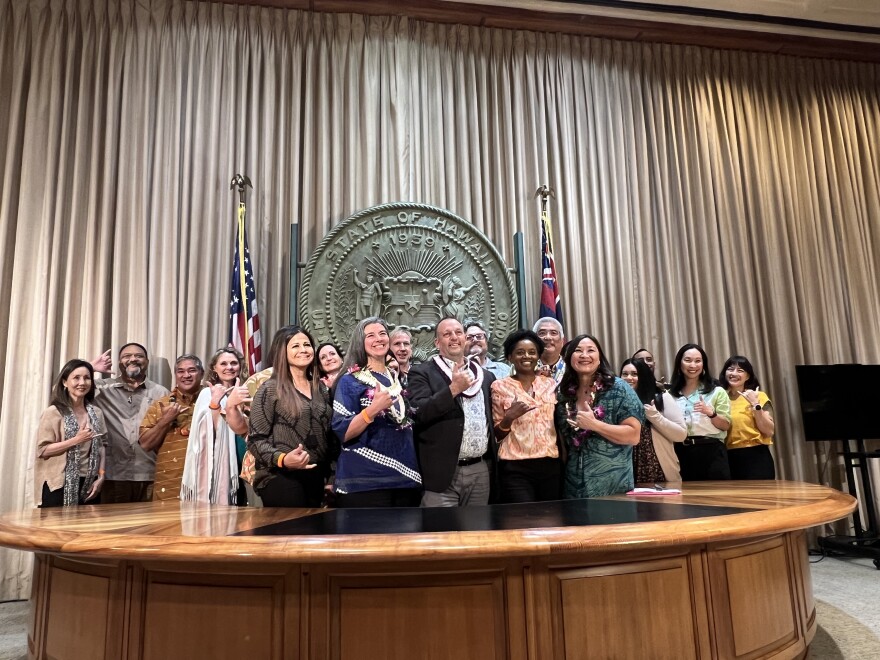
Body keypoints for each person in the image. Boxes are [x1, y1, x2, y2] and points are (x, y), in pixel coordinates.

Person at [331, 317, 421, 507]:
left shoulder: (397, 379)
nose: (378, 339)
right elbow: (343, 432)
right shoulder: (350, 381)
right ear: (360, 343)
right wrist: (372, 410)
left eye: (382, 334)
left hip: (405, 478)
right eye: (370, 335)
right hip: (366, 482)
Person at [409, 317, 496, 507]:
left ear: (465, 337)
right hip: (442, 472)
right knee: (441, 533)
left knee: (477, 534)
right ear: (437, 343)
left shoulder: (486, 376)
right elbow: (418, 413)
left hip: (479, 470)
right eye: (447, 334)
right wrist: (453, 389)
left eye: (458, 332)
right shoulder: (422, 372)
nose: (454, 338)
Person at [248, 327, 338, 507]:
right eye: (295, 346)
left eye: (307, 344)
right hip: (280, 477)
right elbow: (255, 440)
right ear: (282, 352)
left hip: (317, 477)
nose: (303, 349)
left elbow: (329, 436)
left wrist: (332, 475)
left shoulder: (321, 389)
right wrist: (283, 459)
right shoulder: (270, 389)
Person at [554, 335, 643, 498]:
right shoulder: (563, 395)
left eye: (591, 350)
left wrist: (594, 424)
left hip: (614, 486)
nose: (584, 355)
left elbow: (633, 436)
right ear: (569, 358)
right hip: (573, 488)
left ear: (600, 357)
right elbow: (563, 444)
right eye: (578, 351)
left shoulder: (619, 389)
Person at [490, 330, 561, 502]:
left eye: (532, 352)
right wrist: (509, 418)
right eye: (520, 352)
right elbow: (496, 435)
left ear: (538, 356)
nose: (526, 356)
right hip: (515, 468)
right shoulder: (499, 386)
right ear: (510, 357)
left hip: (550, 465)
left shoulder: (550, 384)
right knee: (522, 521)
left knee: (551, 521)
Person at [95, 343, 169, 503]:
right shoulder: (103, 388)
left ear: (147, 362)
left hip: (149, 474)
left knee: (148, 526)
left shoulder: (160, 392)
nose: (133, 359)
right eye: (127, 356)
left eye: (139, 356)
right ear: (120, 362)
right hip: (112, 475)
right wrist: (90, 367)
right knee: (113, 526)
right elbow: (62, 392)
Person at [182, 347, 251, 505]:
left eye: (234, 363)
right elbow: (204, 431)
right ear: (214, 368)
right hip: (220, 459)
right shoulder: (207, 393)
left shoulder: (246, 390)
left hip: (246, 458)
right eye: (224, 363)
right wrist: (215, 402)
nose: (229, 367)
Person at [34, 359, 107, 507]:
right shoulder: (53, 412)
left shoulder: (96, 413)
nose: (82, 382)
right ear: (65, 382)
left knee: (87, 529)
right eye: (76, 378)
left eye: (87, 378)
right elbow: (42, 450)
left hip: (89, 484)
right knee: (56, 529)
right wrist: (76, 440)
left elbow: (102, 446)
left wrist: (101, 476)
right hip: (58, 484)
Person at [139, 354, 204, 501]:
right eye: (180, 371)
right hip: (170, 481)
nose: (186, 375)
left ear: (202, 373)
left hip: (205, 477)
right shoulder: (161, 404)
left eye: (192, 370)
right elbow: (145, 444)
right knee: (167, 524)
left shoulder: (212, 401)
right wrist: (165, 421)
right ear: (176, 375)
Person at [669, 343, 732, 481]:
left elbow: (726, 425)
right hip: (680, 451)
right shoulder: (670, 395)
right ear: (679, 363)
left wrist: (711, 413)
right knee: (686, 500)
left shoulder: (716, 391)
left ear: (704, 365)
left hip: (711, 450)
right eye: (688, 360)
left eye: (698, 361)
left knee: (716, 499)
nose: (693, 365)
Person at [620, 358, 687, 483]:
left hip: (658, 469)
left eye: (635, 374)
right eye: (625, 374)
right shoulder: (616, 402)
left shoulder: (661, 398)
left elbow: (681, 434)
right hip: (625, 470)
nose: (629, 378)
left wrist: (654, 415)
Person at [719, 355, 776, 480]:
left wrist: (755, 404)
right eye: (730, 369)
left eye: (740, 370)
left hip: (756, 456)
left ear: (748, 376)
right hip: (728, 457)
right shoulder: (720, 399)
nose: (734, 373)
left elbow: (769, 431)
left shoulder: (758, 396)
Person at [533, 317, 565, 385]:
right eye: (542, 333)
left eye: (553, 333)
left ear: (562, 341)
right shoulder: (523, 367)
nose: (548, 337)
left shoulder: (572, 368)